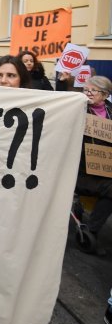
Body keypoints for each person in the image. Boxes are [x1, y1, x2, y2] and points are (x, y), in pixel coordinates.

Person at [74, 76, 112, 244]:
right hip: (81, 171)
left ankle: (92, 228)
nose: (87, 93)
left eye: (92, 90)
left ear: (104, 95)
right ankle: (91, 233)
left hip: (106, 169)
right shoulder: (78, 109)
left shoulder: (110, 111)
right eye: (86, 89)